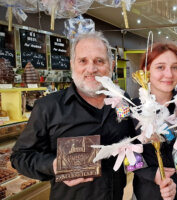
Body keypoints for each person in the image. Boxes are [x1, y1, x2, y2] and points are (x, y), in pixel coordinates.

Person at [10, 32, 135, 200]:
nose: (91, 69)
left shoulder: (122, 101)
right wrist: (54, 165)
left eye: (99, 61)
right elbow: (20, 156)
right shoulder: (48, 107)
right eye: (83, 61)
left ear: (111, 66)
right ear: (72, 65)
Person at [132, 43, 177, 200]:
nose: (169, 74)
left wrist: (176, 181)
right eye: (160, 67)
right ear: (146, 71)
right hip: (146, 192)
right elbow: (126, 153)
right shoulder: (133, 108)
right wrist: (153, 175)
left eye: (175, 67)